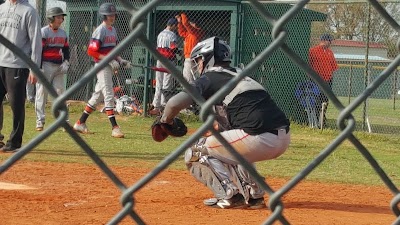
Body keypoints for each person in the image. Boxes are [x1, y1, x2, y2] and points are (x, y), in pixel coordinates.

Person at [158, 37, 291, 209]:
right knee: (227, 146)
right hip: (282, 137)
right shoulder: (241, 74)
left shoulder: (211, 77)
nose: (198, 65)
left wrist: (165, 121)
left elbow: (174, 103)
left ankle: (229, 195)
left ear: (208, 58)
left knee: (196, 151)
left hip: (259, 137)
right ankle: (254, 194)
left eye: (199, 60)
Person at [73, 2, 131, 138]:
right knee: (109, 95)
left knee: (97, 96)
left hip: (109, 65)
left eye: (113, 14)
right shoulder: (100, 30)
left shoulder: (113, 30)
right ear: (104, 16)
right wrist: (108, 59)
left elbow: (114, 50)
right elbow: (91, 51)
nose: (112, 17)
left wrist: (120, 60)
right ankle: (115, 128)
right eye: (110, 15)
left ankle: (80, 122)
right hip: (102, 66)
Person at [0, 0, 42, 152]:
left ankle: (15, 142)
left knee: (16, 104)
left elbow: (36, 41)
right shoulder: (2, 8)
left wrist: (34, 67)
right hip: (0, 62)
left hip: (17, 64)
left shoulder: (29, 11)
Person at [35, 7, 70, 131]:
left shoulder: (63, 33)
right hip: (45, 65)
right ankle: (40, 121)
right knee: (41, 92)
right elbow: (38, 51)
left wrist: (66, 61)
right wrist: (38, 67)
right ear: (51, 18)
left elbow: (66, 49)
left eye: (62, 17)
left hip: (58, 66)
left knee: (60, 92)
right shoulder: (44, 32)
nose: (61, 19)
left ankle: (64, 120)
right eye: (59, 17)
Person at [148, 18, 179, 116]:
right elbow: (173, 48)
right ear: (173, 25)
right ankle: (163, 107)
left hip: (159, 60)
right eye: (176, 25)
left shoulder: (160, 34)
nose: (176, 27)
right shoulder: (172, 35)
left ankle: (155, 105)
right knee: (166, 84)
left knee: (158, 83)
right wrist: (179, 52)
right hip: (168, 61)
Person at [308, 33, 338, 128]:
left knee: (325, 101)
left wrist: (329, 75)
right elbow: (308, 64)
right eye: (329, 41)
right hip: (316, 80)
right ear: (324, 41)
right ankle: (316, 121)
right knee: (317, 100)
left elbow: (333, 67)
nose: (330, 42)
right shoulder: (313, 51)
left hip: (328, 80)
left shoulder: (330, 52)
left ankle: (322, 121)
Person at [175, 13, 204, 83]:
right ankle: (191, 91)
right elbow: (181, 32)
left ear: (194, 24)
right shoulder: (189, 33)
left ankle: (190, 91)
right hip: (189, 57)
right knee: (188, 77)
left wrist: (182, 14)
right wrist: (179, 22)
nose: (189, 25)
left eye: (190, 23)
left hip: (193, 57)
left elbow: (185, 24)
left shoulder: (197, 31)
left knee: (189, 79)